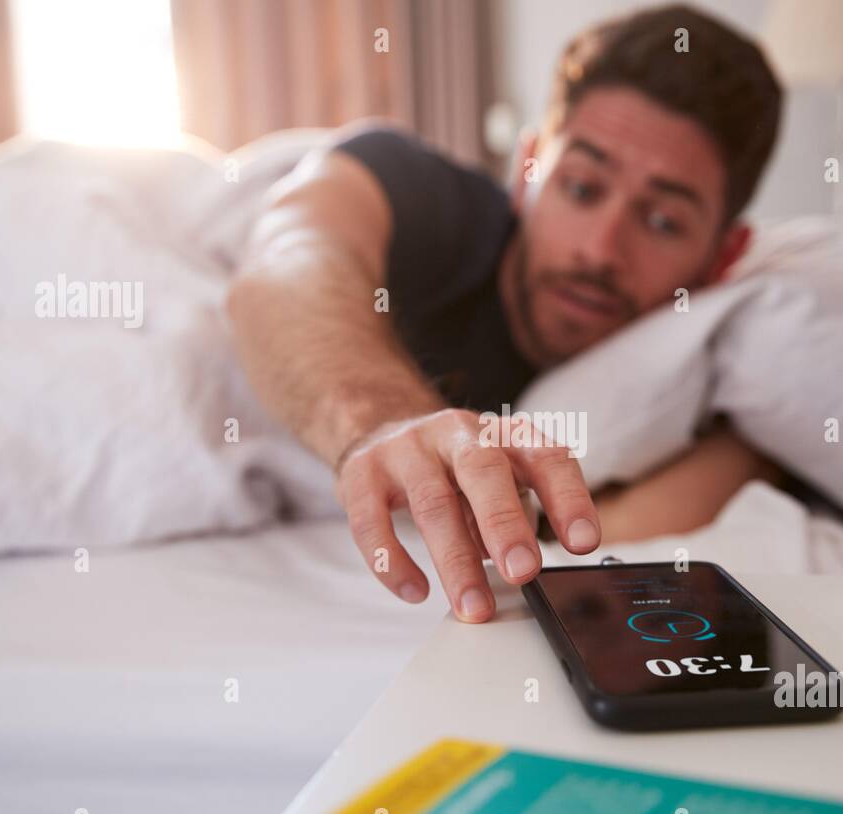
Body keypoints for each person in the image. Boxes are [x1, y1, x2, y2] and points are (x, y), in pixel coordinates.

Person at [226, 4, 783, 623]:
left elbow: (607, 532)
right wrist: (381, 427)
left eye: (662, 222)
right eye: (581, 187)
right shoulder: (418, 190)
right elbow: (285, 261)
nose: (600, 250)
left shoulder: (706, 369)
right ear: (527, 170)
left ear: (723, 257)